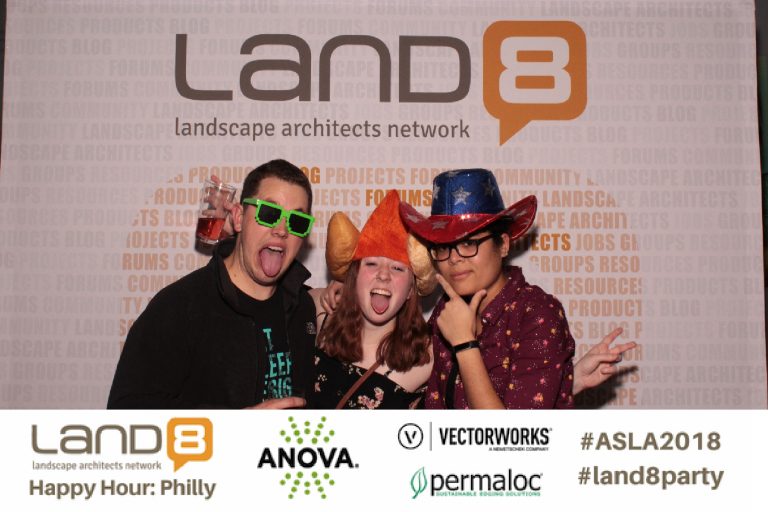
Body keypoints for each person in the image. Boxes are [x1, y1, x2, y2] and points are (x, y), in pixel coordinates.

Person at [108, 159, 314, 409]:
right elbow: (126, 412)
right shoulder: (180, 307)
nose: (282, 230)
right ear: (239, 217)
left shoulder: (304, 308)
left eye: (298, 221)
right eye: (269, 214)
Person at [400, 168, 576, 409]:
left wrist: (464, 343)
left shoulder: (537, 313)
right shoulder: (448, 307)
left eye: (468, 243)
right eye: (443, 247)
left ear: (503, 245)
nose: (453, 259)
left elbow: (509, 433)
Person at [308, 190, 437, 409]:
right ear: (355, 276)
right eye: (371, 264)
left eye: (397, 268)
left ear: (410, 290)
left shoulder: (429, 356)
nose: (384, 275)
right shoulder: (321, 311)